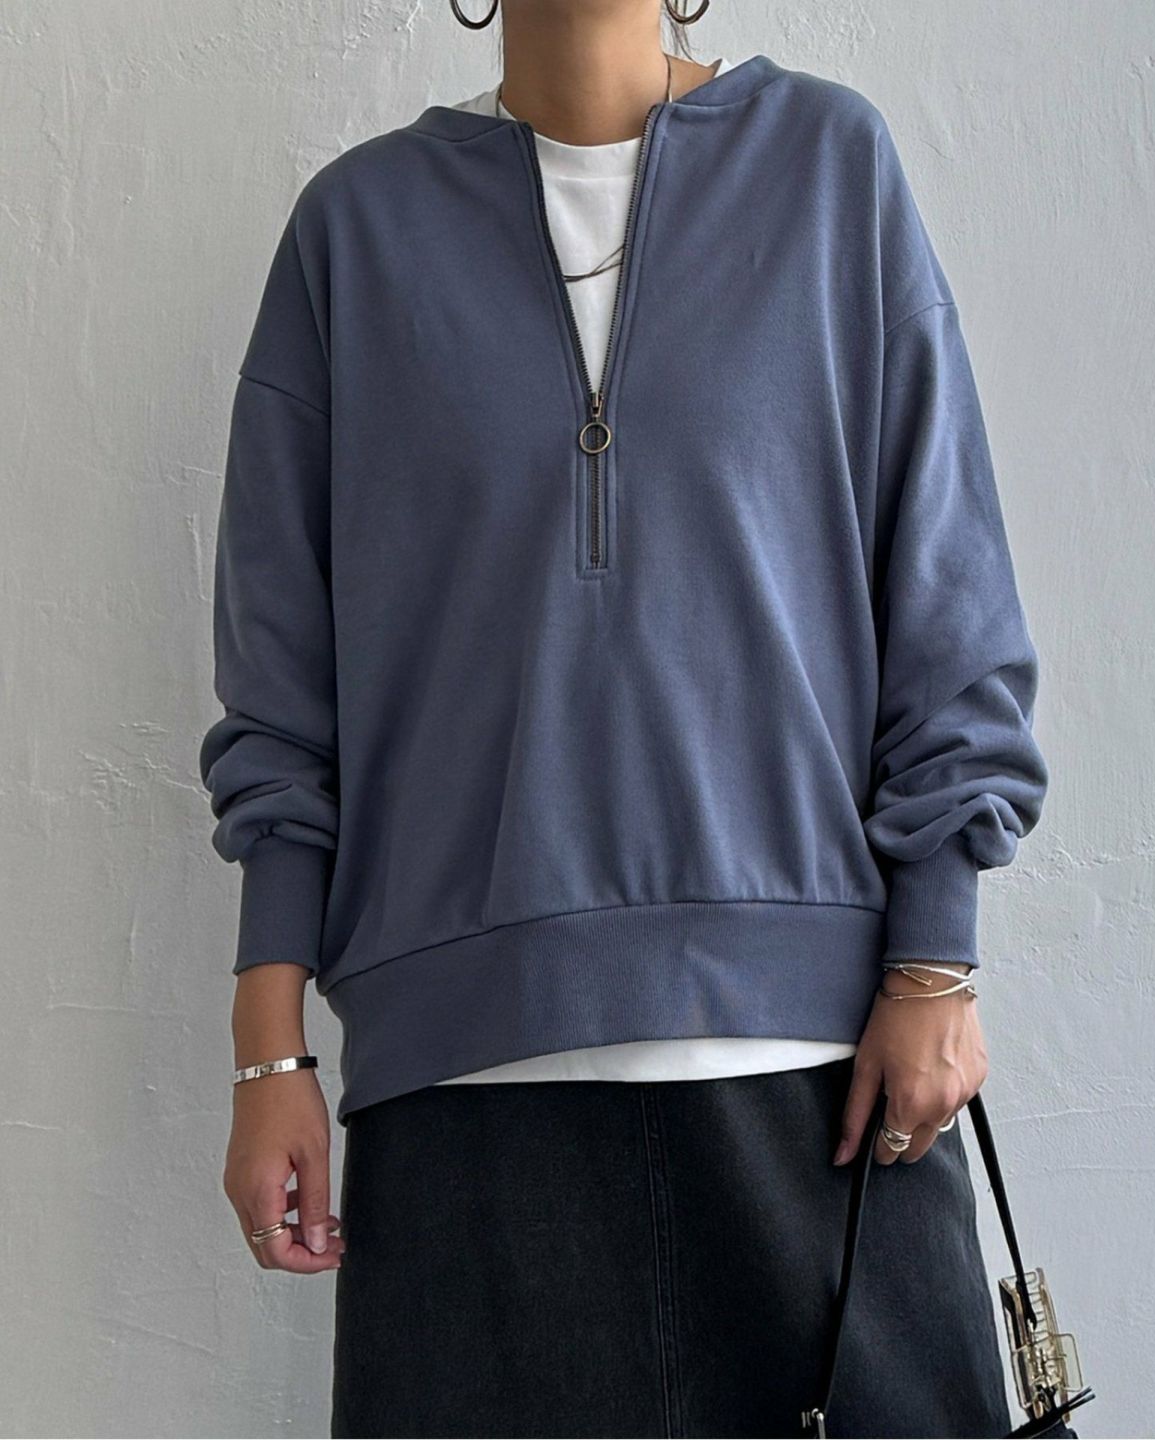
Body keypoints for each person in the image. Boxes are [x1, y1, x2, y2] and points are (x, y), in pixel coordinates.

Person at [199, 4, 1050, 1436]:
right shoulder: (353, 236)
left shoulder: (829, 169)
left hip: (819, 1087)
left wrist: (935, 962)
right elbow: (282, 694)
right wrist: (268, 1052)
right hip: (465, 1102)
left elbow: (946, 596)